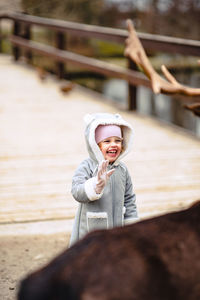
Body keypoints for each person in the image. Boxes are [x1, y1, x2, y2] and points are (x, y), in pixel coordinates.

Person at [69, 112, 138, 246]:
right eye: (107, 141)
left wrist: (131, 224)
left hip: (117, 227)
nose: (113, 145)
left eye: (117, 140)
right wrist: (95, 186)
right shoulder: (87, 166)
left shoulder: (122, 170)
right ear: (96, 145)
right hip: (92, 228)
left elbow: (129, 198)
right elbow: (76, 191)